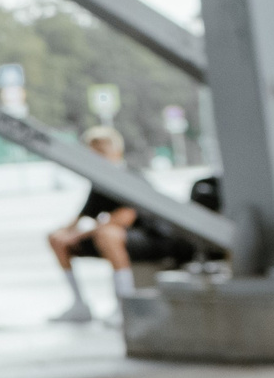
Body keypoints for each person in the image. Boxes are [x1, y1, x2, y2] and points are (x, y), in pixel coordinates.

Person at [43, 126, 195, 322]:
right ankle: (79, 304)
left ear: (117, 151)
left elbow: (123, 219)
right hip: (117, 239)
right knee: (57, 238)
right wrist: (63, 234)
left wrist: (76, 236)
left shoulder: (130, 177)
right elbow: (82, 217)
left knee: (108, 234)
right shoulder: (100, 182)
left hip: (154, 240)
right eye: (92, 153)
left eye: (101, 152)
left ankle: (124, 306)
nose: (96, 158)